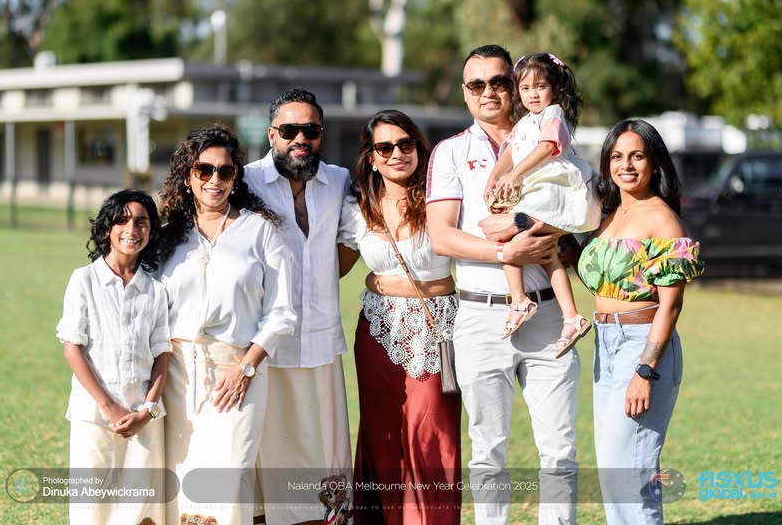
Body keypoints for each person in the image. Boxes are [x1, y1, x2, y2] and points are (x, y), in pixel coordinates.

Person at [426, 44, 579, 525]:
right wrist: (503, 252)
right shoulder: (450, 151)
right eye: (478, 84)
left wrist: (556, 230)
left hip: (550, 312)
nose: (490, 92)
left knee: (559, 447)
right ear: (465, 93)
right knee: (488, 450)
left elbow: (581, 212)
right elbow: (441, 235)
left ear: (516, 86)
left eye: (499, 82)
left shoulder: (550, 133)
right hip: (481, 315)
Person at [158, 124, 296, 525]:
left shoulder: (261, 231)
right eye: (204, 170)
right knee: (183, 487)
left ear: (236, 176)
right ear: (188, 176)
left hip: (238, 373)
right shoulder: (169, 237)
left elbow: (282, 312)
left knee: (227, 482)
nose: (214, 180)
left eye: (225, 171)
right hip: (178, 376)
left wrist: (246, 368)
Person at [578, 119, 704, 524]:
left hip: (641, 346)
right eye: (617, 156)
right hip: (605, 344)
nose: (626, 165)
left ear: (654, 163)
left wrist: (645, 370)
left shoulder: (661, 219)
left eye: (637, 155)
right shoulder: (607, 215)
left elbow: (671, 306)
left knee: (632, 476)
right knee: (614, 473)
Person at [338, 110, 461, 525]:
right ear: (371, 157)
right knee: (383, 433)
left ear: (419, 148)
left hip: (437, 327)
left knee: (431, 436)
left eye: (405, 144)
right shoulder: (357, 206)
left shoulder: (443, 195)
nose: (396, 154)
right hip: (377, 327)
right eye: (384, 147)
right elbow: (333, 265)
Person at [243, 88, 358, 525]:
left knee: (322, 471)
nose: (300, 139)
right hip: (266, 346)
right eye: (289, 130)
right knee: (267, 470)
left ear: (321, 134)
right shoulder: (246, 182)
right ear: (273, 134)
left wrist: (319, 280)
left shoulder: (341, 181)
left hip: (322, 345)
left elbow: (349, 246)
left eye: (309, 130)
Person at [56, 189, 170, 525]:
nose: (131, 229)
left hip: (143, 420)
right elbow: (72, 347)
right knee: (93, 510)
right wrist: (109, 407)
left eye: (141, 222)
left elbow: (161, 355)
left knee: (141, 512)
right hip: (94, 417)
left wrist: (147, 409)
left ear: (151, 231)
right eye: (122, 220)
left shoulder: (156, 289)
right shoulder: (84, 280)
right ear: (107, 228)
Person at [485, 52, 600, 351]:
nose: (532, 94)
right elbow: (509, 152)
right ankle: (572, 317)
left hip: (552, 191)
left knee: (508, 240)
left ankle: (520, 300)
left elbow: (549, 146)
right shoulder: (524, 123)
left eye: (540, 86)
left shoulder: (553, 114)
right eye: (525, 88)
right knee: (547, 255)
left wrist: (515, 175)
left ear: (554, 89)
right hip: (536, 193)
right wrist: (497, 177)